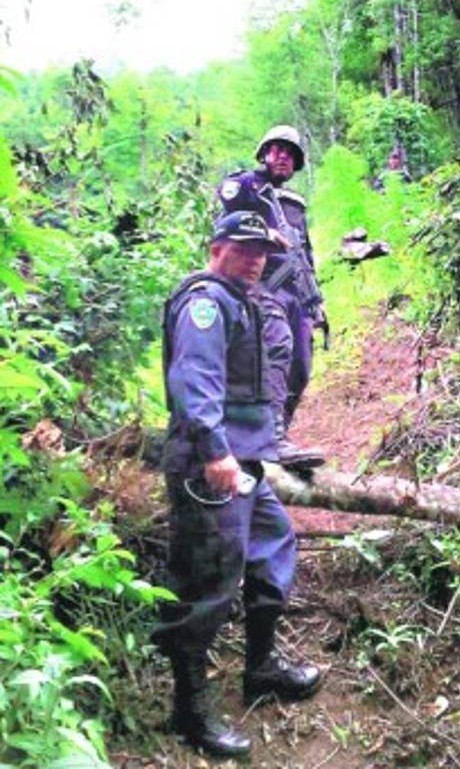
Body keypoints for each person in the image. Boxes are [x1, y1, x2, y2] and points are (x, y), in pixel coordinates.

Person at [153, 211, 321, 760]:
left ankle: (260, 668)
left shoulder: (241, 299)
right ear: (217, 247)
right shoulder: (206, 302)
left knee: (273, 548)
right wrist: (214, 449)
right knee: (209, 581)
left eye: (262, 252)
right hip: (210, 465)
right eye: (244, 249)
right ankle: (190, 708)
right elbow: (194, 378)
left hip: (242, 462)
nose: (255, 260)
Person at [218, 125, 327, 471]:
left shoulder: (294, 205)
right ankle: (271, 438)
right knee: (276, 347)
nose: (282, 158)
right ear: (264, 154)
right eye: (276, 150)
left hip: (297, 292)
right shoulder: (247, 186)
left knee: (301, 366)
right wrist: (266, 233)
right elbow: (228, 219)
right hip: (262, 285)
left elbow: (305, 252)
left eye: (289, 154)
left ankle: (278, 435)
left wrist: (317, 301)